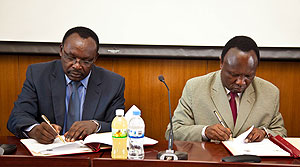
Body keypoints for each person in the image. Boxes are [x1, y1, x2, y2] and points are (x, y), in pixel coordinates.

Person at [7, 26, 125, 144]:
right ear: (61, 50)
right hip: (48, 153)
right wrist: (34, 130)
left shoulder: (113, 83)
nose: (77, 66)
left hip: (89, 154)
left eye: (86, 61)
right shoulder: (38, 75)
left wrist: (95, 126)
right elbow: (17, 116)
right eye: (71, 57)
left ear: (95, 58)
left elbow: (119, 125)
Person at [165, 36, 287, 142]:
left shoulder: (270, 92)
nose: (241, 82)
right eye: (234, 75)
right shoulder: (195, 87)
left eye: (248, 76)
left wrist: (264, 133)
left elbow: (280, 132)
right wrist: (204, 132)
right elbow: (173, 131)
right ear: (221, 63)